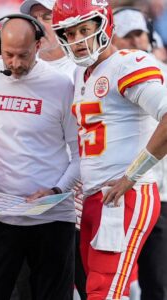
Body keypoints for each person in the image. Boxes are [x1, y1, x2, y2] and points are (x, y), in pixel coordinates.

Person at [0, 14, 80, 300]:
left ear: (38, 45)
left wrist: (56, 190)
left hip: (53, 217)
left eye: (23, 55)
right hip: (0, 214)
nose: (15, 63)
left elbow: (81, 153)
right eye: (8, 55)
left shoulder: (62, 85)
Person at [52, 0, 167, 299]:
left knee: (106, 292)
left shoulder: (127, 63)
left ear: (103, 26)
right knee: (95, 288)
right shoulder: (81, 75)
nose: (77, 40)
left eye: (84, 30)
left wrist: (132, 175)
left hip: (124, 194)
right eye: (69, 33)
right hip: (95, 197)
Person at [21, 1, 86, 299]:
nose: (40, 25)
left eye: (47, 17)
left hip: (80, 198)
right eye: (33, 18)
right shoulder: (18, 68)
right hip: (30, 201)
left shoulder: (83, 68)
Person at [113, 7, 167, 300]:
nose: (135, 41)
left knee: (156, 279)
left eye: (139, 34)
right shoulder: (108, 75)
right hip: (124, 189)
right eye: (127, 36)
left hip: (158, 191)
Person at [20, 0, 76, 82]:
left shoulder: (81, 68)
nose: (38, 25)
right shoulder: (18, 65)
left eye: (47, 18)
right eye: (33, 19)